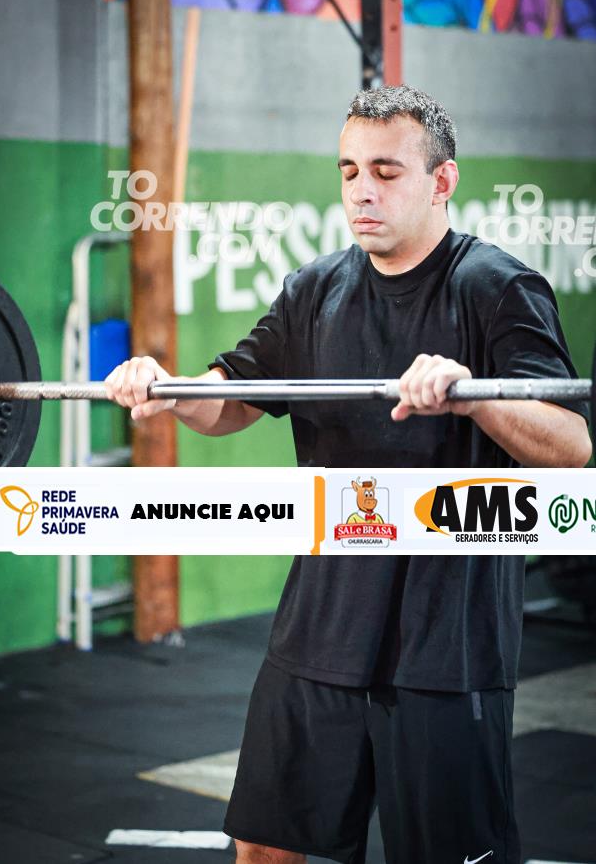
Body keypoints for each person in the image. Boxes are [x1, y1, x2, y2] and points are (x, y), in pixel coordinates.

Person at [105, 85, 592, 864]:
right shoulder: (315, 289)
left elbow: (571, 445)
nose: (363, 190)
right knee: (264, 849)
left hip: (447, 643)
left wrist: (472, 396)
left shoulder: (497, 287)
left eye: (387, 172)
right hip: (320, 626)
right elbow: (230, 399)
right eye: (349, 170)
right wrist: (166, 388)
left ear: (441, 180)